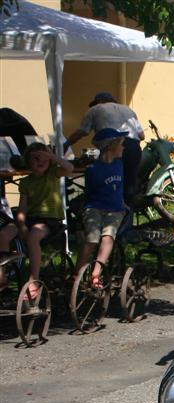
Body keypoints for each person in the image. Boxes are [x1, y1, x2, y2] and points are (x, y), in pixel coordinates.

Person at [0, 143, 73, 296]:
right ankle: (2, 277)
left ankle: (34, 279)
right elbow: (22, 209)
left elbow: (69, 168)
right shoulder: (25, 182)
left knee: (33, 236)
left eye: (44, 158)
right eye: (35, 158)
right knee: (4, 233)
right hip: (31, 219)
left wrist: (52, 156)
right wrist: (21, 225)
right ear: (28, 161)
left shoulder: (53, 174)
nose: (40, 161)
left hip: (50, 220)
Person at [65, 92, 144, 205]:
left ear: (99, 101)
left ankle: (110, 215)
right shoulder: (128, 110)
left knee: (111, 185)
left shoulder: (95, 109)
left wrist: (66, 144)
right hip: (133, 148)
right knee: (129, 188)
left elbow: (82, 131)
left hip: (113, 148)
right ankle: (127, 218)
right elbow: (141, 136)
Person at [76, 128, 128, 289]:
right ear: (111, 146)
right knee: (92, 238)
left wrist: (122, 202)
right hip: (95, 208)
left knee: (108, 236)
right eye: (121, 144)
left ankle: (95, 273)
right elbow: (89, 193)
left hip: (116, 209)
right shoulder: (93, 169)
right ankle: (77, 273)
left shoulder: (120, 164)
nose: (123, 148)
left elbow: (119, 187)